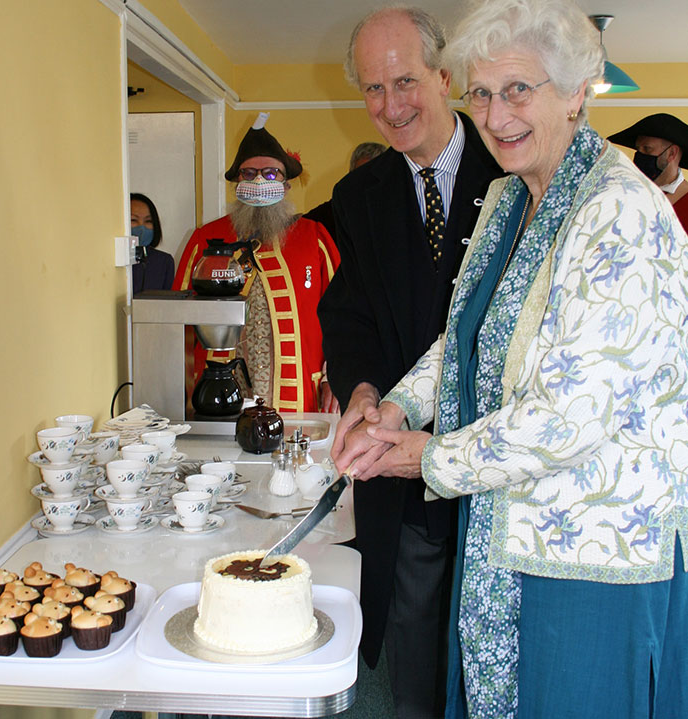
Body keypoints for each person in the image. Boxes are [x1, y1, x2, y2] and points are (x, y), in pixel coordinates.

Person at [335, 0, 688, 717]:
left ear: (575, 92)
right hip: (504, 533)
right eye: (483, 93)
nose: (496, 117)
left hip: (592, 559)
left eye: (519, 89)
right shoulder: (507, 198)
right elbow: (463, 335)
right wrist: (399, 403)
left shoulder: (619, 210)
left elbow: (568, 418)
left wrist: (422, 457)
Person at [317, 6, 502, 719]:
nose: (391, 107)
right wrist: (362, 389)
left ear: (446, 75)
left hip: (502, 473)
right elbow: (351, 312)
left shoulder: (513, 164)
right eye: (372, 89)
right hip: (410, 476)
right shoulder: (357, 197)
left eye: (405, 81)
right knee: (417, 656)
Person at [173, 113, 340, 414]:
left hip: (299, 394)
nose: (260, 181)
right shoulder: (205, 239)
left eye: (271, 174)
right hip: (218, 392)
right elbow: (175, 324)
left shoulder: (314, 238)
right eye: (249, 174)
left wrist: (335, 378)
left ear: (287, 185)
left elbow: (343, 315)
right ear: (237, 181)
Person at [608, 113, 688, 230]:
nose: (639, 156)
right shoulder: (624, 194)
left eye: (647, 149)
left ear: (672, 153)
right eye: (638, 149)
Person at [303, 141, 387, 239]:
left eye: (373, 177)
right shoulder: (333, 212)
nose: (366, 183)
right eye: (360, 175)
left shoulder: (400, 213)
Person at [130, 192, 175, 294]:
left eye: (148, 221)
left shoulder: (164, 261)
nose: (142, 227)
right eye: (133, 220)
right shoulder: (110, 259)